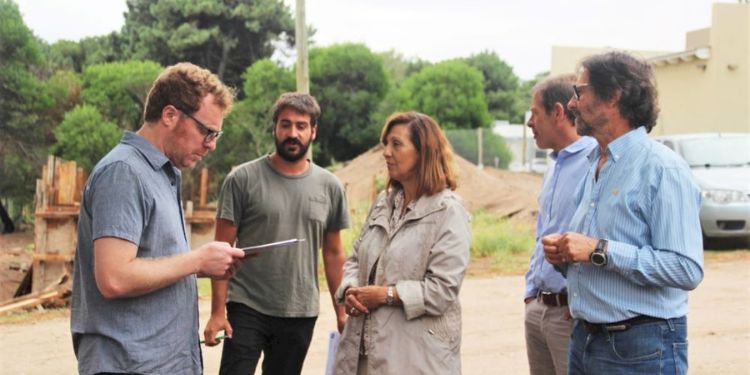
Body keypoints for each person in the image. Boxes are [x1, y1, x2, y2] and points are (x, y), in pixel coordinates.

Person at [70, 62, 246, 375]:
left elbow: (153, 265)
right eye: (206, 131)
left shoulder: (163, 174)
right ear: (169, 115)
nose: (212, 144)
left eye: (216, 134)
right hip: (130, 364)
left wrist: (206, 266)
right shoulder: (124, 173)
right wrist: (196, 261)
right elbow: (114, 278)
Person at [542, 51, 704, 374]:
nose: (572, 103)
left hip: (640, 347)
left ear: (614, 96)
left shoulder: (662, 169)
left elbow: (686, 268)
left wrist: (598, 250)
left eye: (580, 91)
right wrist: (566, 257)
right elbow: (591, 257)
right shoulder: (594, 165)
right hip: (586, 339)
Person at [203, 92, 351, 375]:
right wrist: (217, 312)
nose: (292, 133)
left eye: (301, 125)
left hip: (299, 310)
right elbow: (221, 249)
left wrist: (340, 311)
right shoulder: (242, 179)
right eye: (285, 124)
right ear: (275, 128)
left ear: (313, 131)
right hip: (246, 305)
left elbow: (333, 254)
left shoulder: (330, 186)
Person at [333, 112, 471, 375]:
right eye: (385, 144)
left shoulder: (448, 212)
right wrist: (351, 289)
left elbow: (442, 291)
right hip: (362, 354)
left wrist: (385, 295)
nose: (386, 152)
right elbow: (355, 258)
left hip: (415, 359)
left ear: (423, 153)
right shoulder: (384, 203)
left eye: (396, 144)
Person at [523, 74, 597, 375]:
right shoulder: (554, 166)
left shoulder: (595, 161)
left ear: (557, 112)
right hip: (539, 308)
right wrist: (531, 293)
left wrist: (579, 301)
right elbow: (543, 230)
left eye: (534, 113)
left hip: (570, 315)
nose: (529, 122)